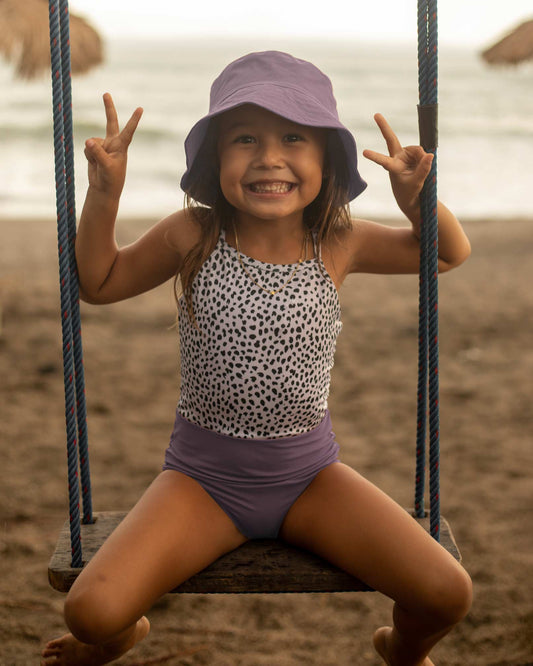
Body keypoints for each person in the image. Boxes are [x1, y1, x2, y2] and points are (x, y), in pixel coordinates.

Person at [41, 51, 472, 666]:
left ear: (326, 158)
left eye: (293, 138)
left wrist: (416, 202)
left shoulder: (339, 240)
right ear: (217, 159)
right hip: (201, 482)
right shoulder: (192, 233)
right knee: (90, 612)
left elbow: (449, 254)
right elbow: (101, 281)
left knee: (447, 593)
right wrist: (105, 192)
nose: (270, 158)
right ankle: (121, 635)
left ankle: (400, 649)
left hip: (311, 478)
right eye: (246, 139)